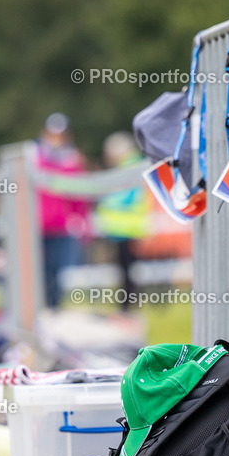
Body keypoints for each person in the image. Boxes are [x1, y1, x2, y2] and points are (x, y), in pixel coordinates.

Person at [36, 114, 90, 308]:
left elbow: (79, 195)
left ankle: (53, 308)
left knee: (58, 271)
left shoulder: (72, 161)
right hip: (38, 224)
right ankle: (41, 307)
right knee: (40, 270)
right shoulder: (35, 158)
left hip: (61, 225)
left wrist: (82, 221)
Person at [94, 132, 149, 311]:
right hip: (126, 227)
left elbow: (125, 197)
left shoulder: (129, 168)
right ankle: (128, 305)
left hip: (126, 228)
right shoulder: (131, 166)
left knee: (127, 271)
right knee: (127, 271)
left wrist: (104, 202)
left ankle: (127, 307)